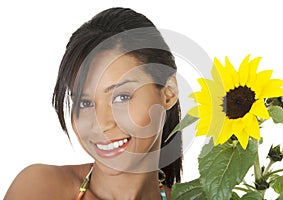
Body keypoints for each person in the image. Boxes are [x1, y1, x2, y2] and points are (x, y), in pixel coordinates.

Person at [4, 7, 182, 200]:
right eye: (85, 103)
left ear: (169, 92)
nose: (101, 124)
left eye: (121, 97)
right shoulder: (40, 187)